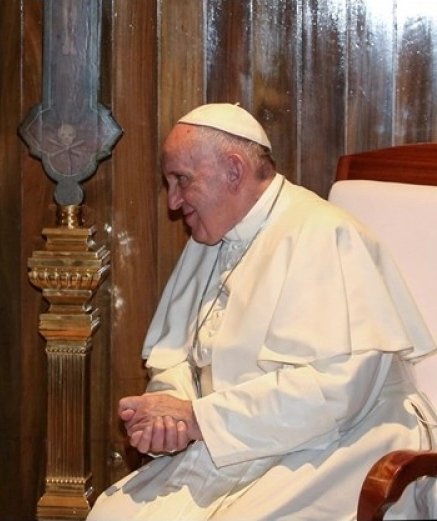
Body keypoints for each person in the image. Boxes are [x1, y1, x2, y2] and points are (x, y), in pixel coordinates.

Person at [87, 103, 437, 520]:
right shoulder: (210, 240)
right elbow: (178, 357)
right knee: (115, 513)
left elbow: (336, 393)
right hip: (237, 443)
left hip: (341, 443)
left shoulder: (325, 234)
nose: (174, 201)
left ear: (233, 171)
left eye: (182, 180)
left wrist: (198, 420)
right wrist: (171, 410)